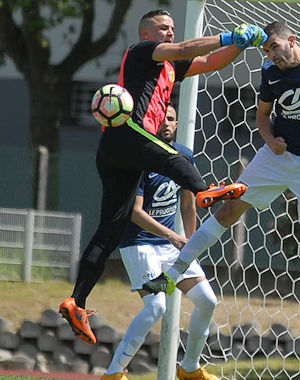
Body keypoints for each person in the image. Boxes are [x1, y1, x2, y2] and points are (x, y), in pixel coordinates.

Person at [142, 21, 300, 363]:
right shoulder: (270, 74)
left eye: (275, 46)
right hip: (276, 158)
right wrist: (269, 138)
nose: (271, 55)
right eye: (266, 50)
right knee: (227, 212)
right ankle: (173, 275)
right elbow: (262, 115)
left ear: (292, 40)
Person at [59, 9, 266, 345]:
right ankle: (204, 192)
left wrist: (241, 45)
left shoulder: (169, 67)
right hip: (128, 135)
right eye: (163, 28)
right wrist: (230, 35)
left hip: (116, 150)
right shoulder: (141, 52)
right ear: (146, 34)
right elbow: (186, 49)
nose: (170, 33)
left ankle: (76, 301)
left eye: (172, 28)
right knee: (176, 157)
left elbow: (209, 63)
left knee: (110, 230)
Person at [100, 106, 220, 380]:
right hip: (139, 243)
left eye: (170, 118)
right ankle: (114, 373)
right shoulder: (141, 159)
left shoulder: (184, 155)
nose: (165, 123)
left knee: (207, 300)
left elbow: (189, 206)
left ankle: (189, 369)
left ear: (177, 123)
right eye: (160, 118)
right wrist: (172, 236)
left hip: (171, 245)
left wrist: (191, 245)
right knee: (156, 307)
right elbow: (135, 212)